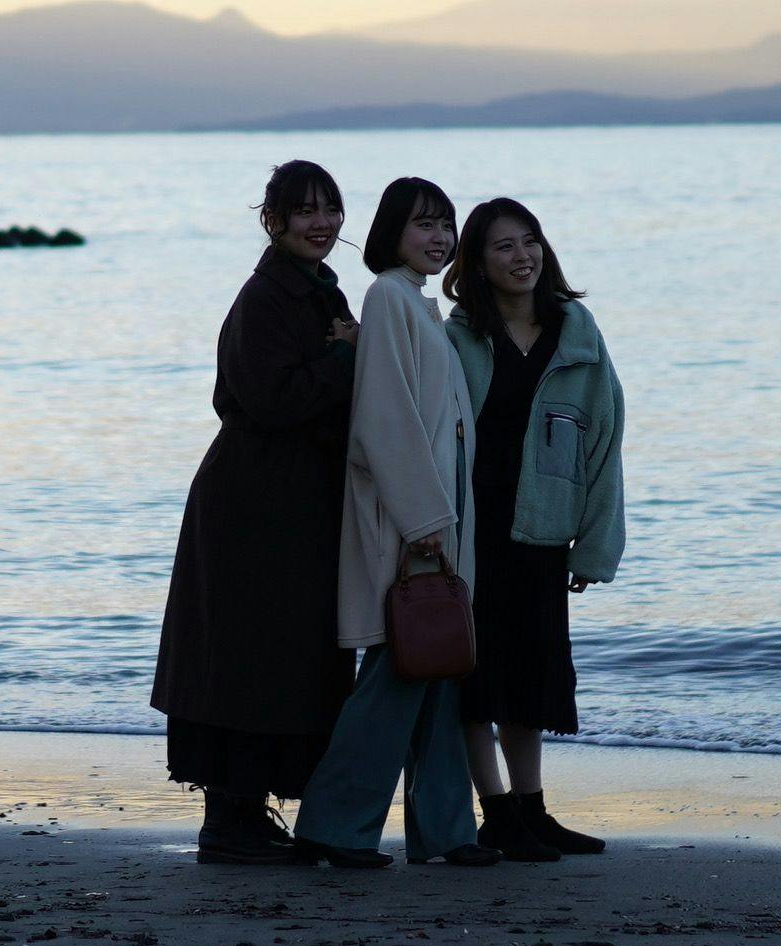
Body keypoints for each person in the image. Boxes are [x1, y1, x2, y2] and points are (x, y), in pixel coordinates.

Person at [152, 160, 362, 864]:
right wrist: (344, 358)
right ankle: (229, 816)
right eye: (305, 210)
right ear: (273, 221)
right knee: (247, 656)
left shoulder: (318, 289)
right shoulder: (264, 298)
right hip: (252, 502)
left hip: (293, 499)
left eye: (330, 209)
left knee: (284, 654)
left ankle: (248, 810)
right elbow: (274, 402)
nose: (321, 223)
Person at [291, 176, 493, 870]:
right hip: (413, 521)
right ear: (391, 233)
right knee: (398, 673)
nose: (439, 237)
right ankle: (333, 827)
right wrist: (423, 516)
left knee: (437, 671)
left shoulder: (416, 303)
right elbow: (384, 420)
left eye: (445, 224)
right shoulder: (387, 297)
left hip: (439, 515)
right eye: (423, 224)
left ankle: (448, 832)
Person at [443, 197, 624, 863]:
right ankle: (497, 815)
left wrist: (594, 544)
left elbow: (605, 443)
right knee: (476, 679)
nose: (522, 256)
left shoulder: (578, 335)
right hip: (471, 529)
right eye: (504, 246)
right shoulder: (458, 337)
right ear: (477, 263)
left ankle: (532, 810)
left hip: (543, 529)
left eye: (530, 241)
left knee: (531, 676)